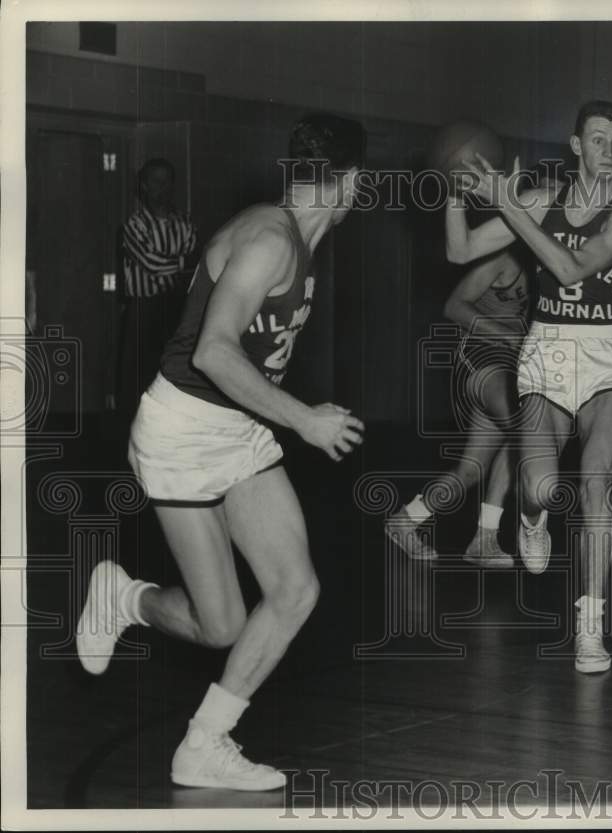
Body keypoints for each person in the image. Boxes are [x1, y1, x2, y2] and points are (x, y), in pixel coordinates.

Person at [75, 114, 366, 789]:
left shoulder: (301, 237)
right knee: (222, 623)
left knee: (295, 590)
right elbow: (213, 350)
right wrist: (304, 421)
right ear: (351, 183)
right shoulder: (269, 238)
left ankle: (205, 741)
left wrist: (277, 418)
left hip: (237, 429)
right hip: (181, 430)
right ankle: (126, 599)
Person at [447, 100, 612, 673]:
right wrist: (455, 191)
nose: (609, 149)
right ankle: (531, 518)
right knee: (538, 485)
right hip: (547, 347)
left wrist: (511, 208)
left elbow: (570, 269)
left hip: (604, 349)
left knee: (597, 483)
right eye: (598, 138)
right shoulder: (538, 201)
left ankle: (590, 628)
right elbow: (458, 251)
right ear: (576, 145)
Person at [385, 246, 531, 566]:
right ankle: (488, 535)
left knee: (471, 470)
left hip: (509, 365)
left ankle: (406, 521)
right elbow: (453, 306)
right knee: (525, 428)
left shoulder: (551, 263)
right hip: (481, 358)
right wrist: (508, 336)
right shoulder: (503, 259)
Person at [117, 158, 198, 419]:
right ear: (144, 186)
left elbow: (193, 264)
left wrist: (177, 265)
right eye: (155, 181)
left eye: (167, 181)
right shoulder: (135, 224)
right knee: (138, 372)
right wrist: (181, 264)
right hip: (144, 307)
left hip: (177, 307)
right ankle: (129, 427)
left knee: (175, 367)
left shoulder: (184, 222)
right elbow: (153, 264)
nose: (162, 187)